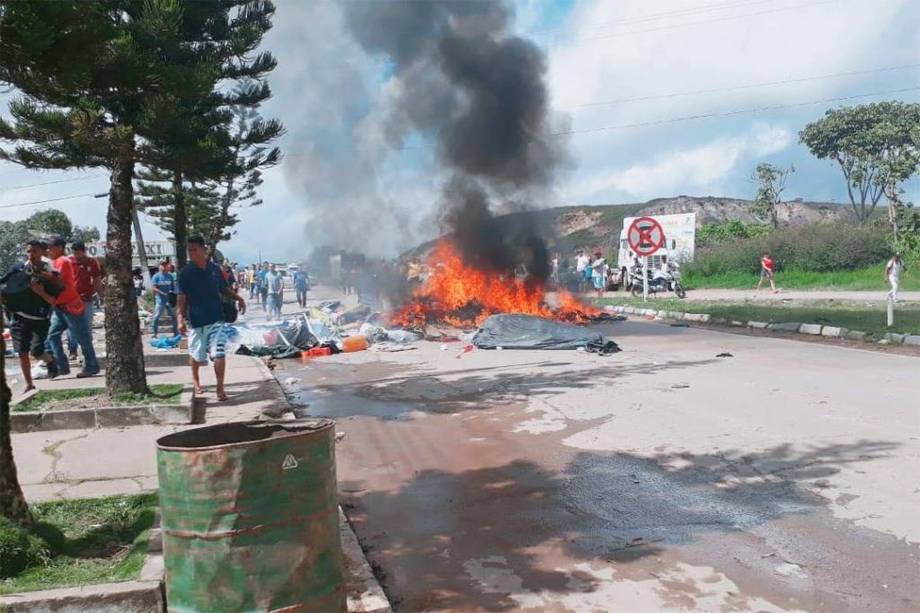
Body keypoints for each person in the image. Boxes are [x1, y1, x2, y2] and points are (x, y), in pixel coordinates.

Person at [177, 236, 246, 401]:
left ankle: (220, 388)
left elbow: (224, 289)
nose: (191, 253)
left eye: (194, 249)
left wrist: (239, 298)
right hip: (196, 321)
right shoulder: (185, 273)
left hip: (216, 318)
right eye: (189, 250)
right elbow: (181, 298)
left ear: (204, 250)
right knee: (196, 354)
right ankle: (196, 380)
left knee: (219, 352)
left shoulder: (214, 269)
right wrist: (180, 318)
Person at [1, 240, 61, 391]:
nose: (31, 254)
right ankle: (29, 384)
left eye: (35, 251)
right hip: (19, 318)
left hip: (39, 319)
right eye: (29, 251)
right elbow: (4, 284)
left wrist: (40, 292)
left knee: (36, 351)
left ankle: (50, 361)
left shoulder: (51, 273)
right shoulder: (18, 269)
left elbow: (54, 301)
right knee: (22, 352)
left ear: (42, 252)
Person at [45, 236, 99, 378]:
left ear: (59, 248)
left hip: (70, 306)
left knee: (82, 337)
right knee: (52, 336)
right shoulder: (55, 262)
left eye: (50, 248)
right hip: (60, 306)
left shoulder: (63, 261)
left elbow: (56, 281)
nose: (48, 251)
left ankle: (92, 366)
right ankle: (62, 366)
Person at [66, 241, 103, 361]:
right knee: (72, 327)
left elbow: (97, 280)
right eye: (75, 253)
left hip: (87, 299)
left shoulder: (92, 262)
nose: (77, 256)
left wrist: (102, 296)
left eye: (79, 253)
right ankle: (72, 350)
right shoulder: (69, 262)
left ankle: (87, 353)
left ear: (84, 251)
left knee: (87, 327)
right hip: (71, 300)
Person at [151, 261, 178, 338]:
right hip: (160, 301)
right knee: (156, 317)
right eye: (162, 265)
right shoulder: (156, 276)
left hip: (169, 300)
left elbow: (173, 287)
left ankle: (176, 333)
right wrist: (161, 293)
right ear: (159, 266)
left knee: (174, 316)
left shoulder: (170, 276)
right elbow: (153, 287)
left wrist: (173, 293)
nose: (163, 266)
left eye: (165, 265)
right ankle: (154, 333)